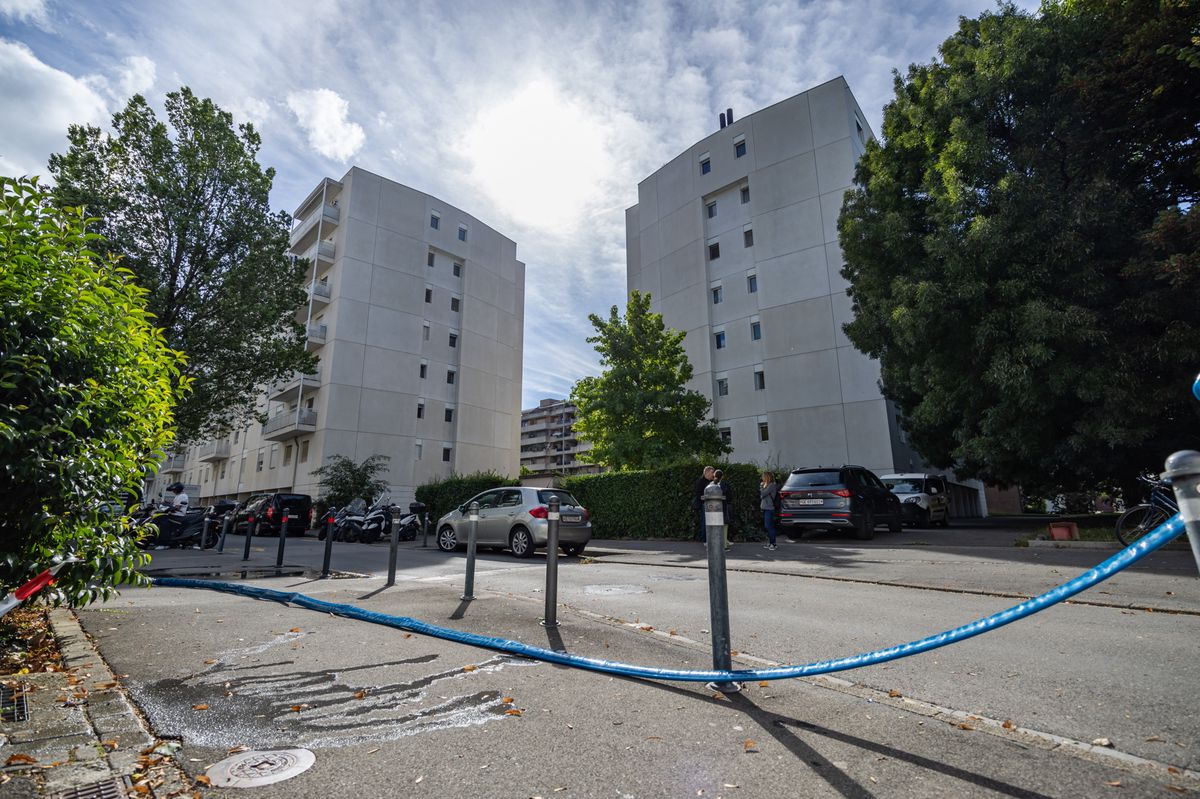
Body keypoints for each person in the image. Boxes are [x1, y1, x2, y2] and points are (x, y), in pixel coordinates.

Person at [692, 465, 715, 543]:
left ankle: (707, 538)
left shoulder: (711, 482)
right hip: (703, 504)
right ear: (706, 472)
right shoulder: (700, 481)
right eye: (712, 472)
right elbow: (698, 494)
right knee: (704, 522)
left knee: (708, 521)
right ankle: (704, 538)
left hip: (709, 504)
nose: (713, 474)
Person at [713, 468, 733, 551]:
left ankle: (715, 544)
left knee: (715, 527)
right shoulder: (725, 485)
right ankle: (724, 545)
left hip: (714, 508)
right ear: (722, 476)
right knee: (724, 526)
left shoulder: (712, 485)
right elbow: (729, 496)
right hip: (723, 507)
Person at [760, 472, 779, 551]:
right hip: (765, 508)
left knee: (769, 526)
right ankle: (771, 542)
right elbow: (762, 496)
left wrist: (761, 486)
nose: (762, 478)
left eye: (763, 476)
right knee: (768, 526)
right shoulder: (766, 485)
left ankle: (773, 543)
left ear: (767, 477)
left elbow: (763, 493)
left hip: (769, 508)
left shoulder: (771, 485)